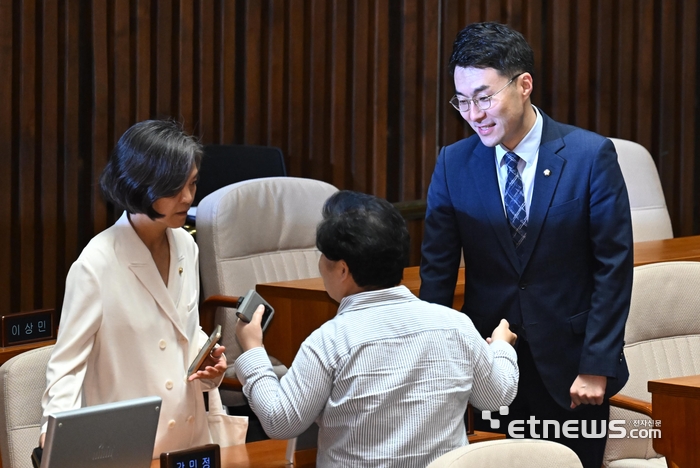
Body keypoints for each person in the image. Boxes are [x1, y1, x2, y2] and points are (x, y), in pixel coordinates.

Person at [419, 22, 633, 468]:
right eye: (462, 101)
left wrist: (598, 364)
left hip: (573, 369)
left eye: (484, 97)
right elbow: (437, 273)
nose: (474, 113)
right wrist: (435, 367)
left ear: (524, 85)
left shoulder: (590, 156)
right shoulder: (453, 163)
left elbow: (613, 266)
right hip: (491, 366)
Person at [234, 190, 519, 468]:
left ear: (343, 270)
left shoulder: (330, 340)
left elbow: (280, 421)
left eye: (322, 256)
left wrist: (253, 350)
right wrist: (502, 346)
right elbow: (495, 396)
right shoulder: (456, 326)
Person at [40, 120, 227, 457]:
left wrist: (207, 359)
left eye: (193, 184)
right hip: (130, 447)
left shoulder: (187, 244)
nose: (187, 198)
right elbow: (65, 369)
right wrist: (55, 440)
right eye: (174, 189)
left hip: (192, 441)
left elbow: (183, 329)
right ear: (139, 186)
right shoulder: (95, 265)